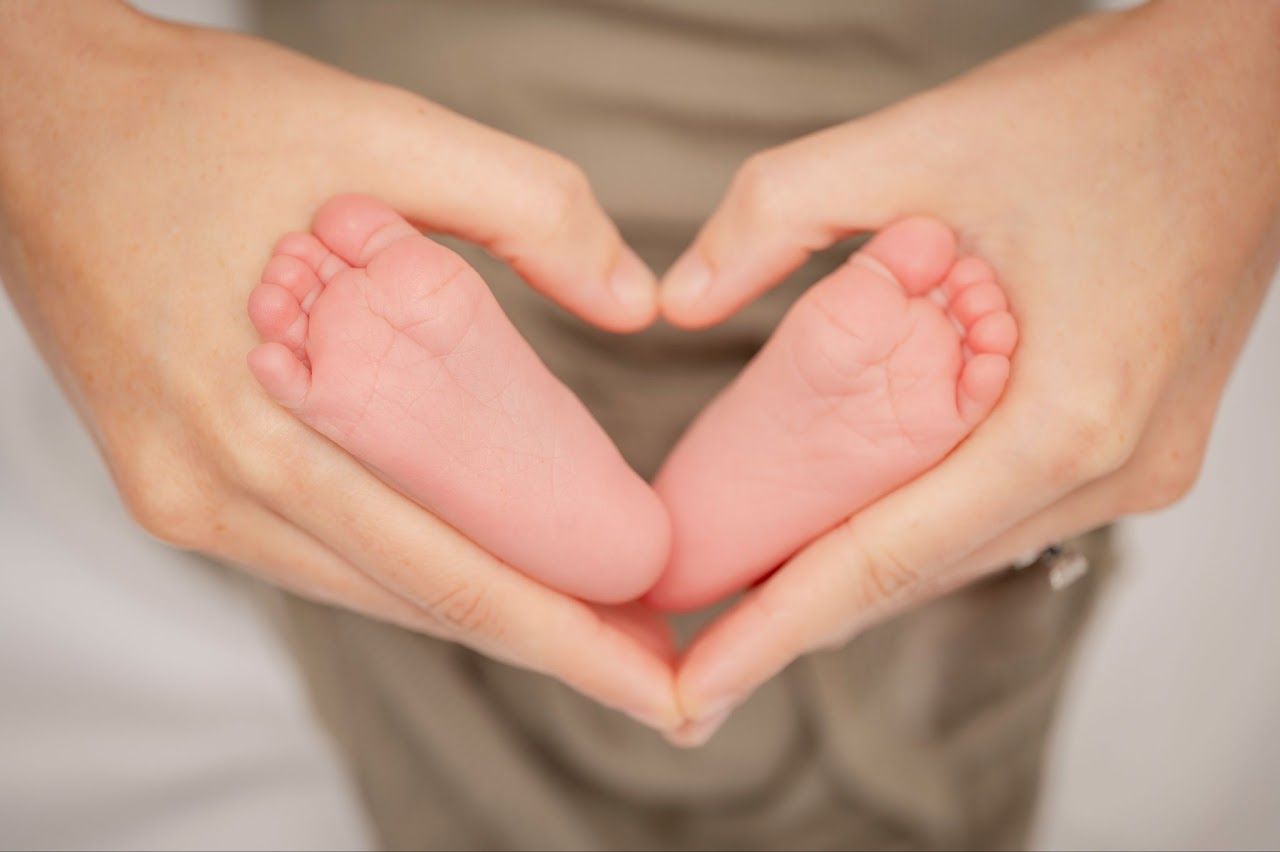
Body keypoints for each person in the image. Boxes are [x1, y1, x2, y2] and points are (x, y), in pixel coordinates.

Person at [1, 1, 1275, 848]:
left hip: (423, 123)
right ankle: (693, 541)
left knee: (451, 609)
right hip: (923, 139)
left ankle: (598, 527)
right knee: (888, 629)